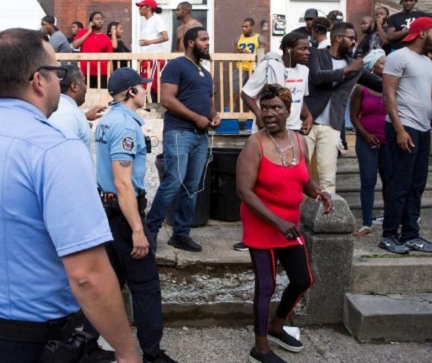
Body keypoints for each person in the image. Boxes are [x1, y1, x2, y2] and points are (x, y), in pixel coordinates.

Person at [0, 28, 141, 363]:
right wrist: (128, 352)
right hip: (20, 339)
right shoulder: (54, 149)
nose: (61, 81)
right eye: (58, 72)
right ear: (38, 80)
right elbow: (88, 275)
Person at [236, 84, 332, 363]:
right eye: (264, 108)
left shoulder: (299, 141)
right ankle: (260, 348)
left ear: (288, 111)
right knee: (266, 286)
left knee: (303, 279)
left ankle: (277, 325)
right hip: (262, 224)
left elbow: (303, 179)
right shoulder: (254, 144)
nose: (269, 113)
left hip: (288, 226)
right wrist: (277, 221)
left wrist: (318, 192)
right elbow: (244, 191)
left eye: (276, 107)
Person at [88, 67, 177, 363]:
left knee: (105, 283)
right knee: (146, 286)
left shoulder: (106, 122)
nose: (146, 89)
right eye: (143, 86)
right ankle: (152, 354)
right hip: (123, 212)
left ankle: (86, 345)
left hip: (107, 208)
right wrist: (138, 230)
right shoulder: (126, 126)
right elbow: (123, 182)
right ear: (131, 92)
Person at [236, 32, 313, 252]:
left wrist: (308, 116)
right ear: (289, 49)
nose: (308, 53)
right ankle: (253, 234)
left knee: (290, 182)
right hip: (267, 133)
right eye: (303, 48)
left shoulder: (304, 71)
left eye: (308, 48)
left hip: (293, 132)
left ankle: (288, 227)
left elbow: (298, 97)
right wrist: (261, 116)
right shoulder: (269, 67)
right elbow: (247, 94)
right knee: (259, 185)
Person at [146, 27, 220, 253]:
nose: (208, 43)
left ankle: (181, 234)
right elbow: (166, 99)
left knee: (192, 187)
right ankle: (150, 231)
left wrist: (213, 115)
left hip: (200, 136)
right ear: (190, 43)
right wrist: (196, 117)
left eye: (208, 39)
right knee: (173, 182)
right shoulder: (176, 65)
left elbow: (208, 104)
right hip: (179, 132)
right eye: (203, 39)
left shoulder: (206, 74)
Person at [380, 17, 432, 255]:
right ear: (422, 34)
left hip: (422, 129)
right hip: (403, 127)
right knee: (399, 184)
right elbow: (388, 95)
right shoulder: (398, 57)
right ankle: (388, 235)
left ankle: (410, 235)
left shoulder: (427, 62)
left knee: (416, 185)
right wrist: (399, 129)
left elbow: (428, 99)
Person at [305, 22, 382, 194]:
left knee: (328, 177)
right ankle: (296, 214)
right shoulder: (316, 55)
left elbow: (379, 85)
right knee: (301, 173)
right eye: (352, 38)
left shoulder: (353, 65)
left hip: (332, 125)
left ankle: (326, 216)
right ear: (338, 38)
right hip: (308, 122)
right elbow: (317, 77)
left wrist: (399, 80)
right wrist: (347, 70)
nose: (355, 42)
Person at [349, 50, 390, 237]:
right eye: (382, 63)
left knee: (390, 181)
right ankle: (366, 222)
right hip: (367, 141)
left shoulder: (392, 86)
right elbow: (354, 116)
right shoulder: (361, 88)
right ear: (372, 67)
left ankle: (391, 219)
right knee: (368, 180)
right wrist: (365, 135)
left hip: (389, 140)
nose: (386, 66)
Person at [49, 64, 106, 147]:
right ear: (74, 86)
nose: (86, 87)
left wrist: (84, 116)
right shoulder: (67, 115)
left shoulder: (57, 107)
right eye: (84, 82)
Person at [137, 0, 169, 102]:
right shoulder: (146, 22)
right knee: (145, 83)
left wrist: (150, 42)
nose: (139, 9)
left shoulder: (157, 19)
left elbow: (165, 37)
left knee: (149, 84)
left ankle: (152, 106)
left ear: (149, 8)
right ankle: (148, 104)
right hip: (146, 57)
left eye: (141, 6)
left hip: (155, 57)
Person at [73, 11, 114, 89]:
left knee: (102, 95)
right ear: (91, 22)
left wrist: (111, 75)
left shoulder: (106, 39)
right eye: (97, 19)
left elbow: (110, 59)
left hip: (102, 73)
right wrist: (89, 32)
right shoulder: (83, 32)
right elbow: (75, 45)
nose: (100, 21)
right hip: (84, 72)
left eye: (101, 19)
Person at [234, 18, 266, 99]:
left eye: (246, 27)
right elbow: (233, 54)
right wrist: (237, 51)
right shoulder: (238, 38)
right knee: (234, 93)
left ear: (252, 27)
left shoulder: (259, 38)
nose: (244, 29)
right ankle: (227, 111)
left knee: (254, 94)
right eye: (243, 26)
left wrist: (247, 53)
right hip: (240, 68)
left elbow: (261, 56)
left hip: (254, 69)